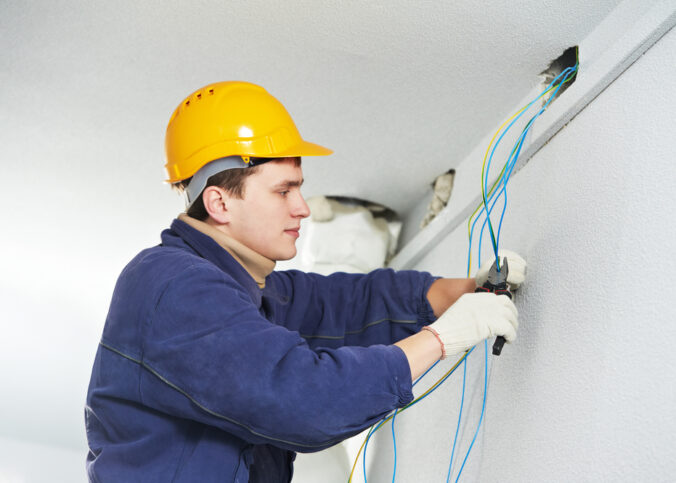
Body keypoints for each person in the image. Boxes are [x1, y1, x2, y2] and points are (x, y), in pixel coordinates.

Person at [85, 81, 525, 482]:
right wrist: (441, 339)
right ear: (219, 202)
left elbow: (343, 306)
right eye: (283, 191)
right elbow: (303, 402)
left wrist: (460, 291)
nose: (303, 208)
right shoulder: (174, 287)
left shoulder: (245, 291)